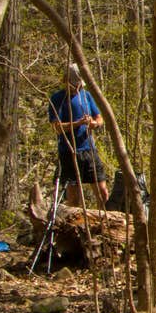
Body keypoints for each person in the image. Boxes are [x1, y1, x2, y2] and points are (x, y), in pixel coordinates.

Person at [48, 63, 109, 207]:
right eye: (75, 85)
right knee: (74, 199)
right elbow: (57, 127)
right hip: (69, 152)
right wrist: (78, 123)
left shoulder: (86, 96)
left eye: (79, 85)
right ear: (66, 81)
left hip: (89, 150)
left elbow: (99, 118)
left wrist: (94, 123)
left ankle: (102, 219)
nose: (77, 88)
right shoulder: (57, 99)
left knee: (103, 193)